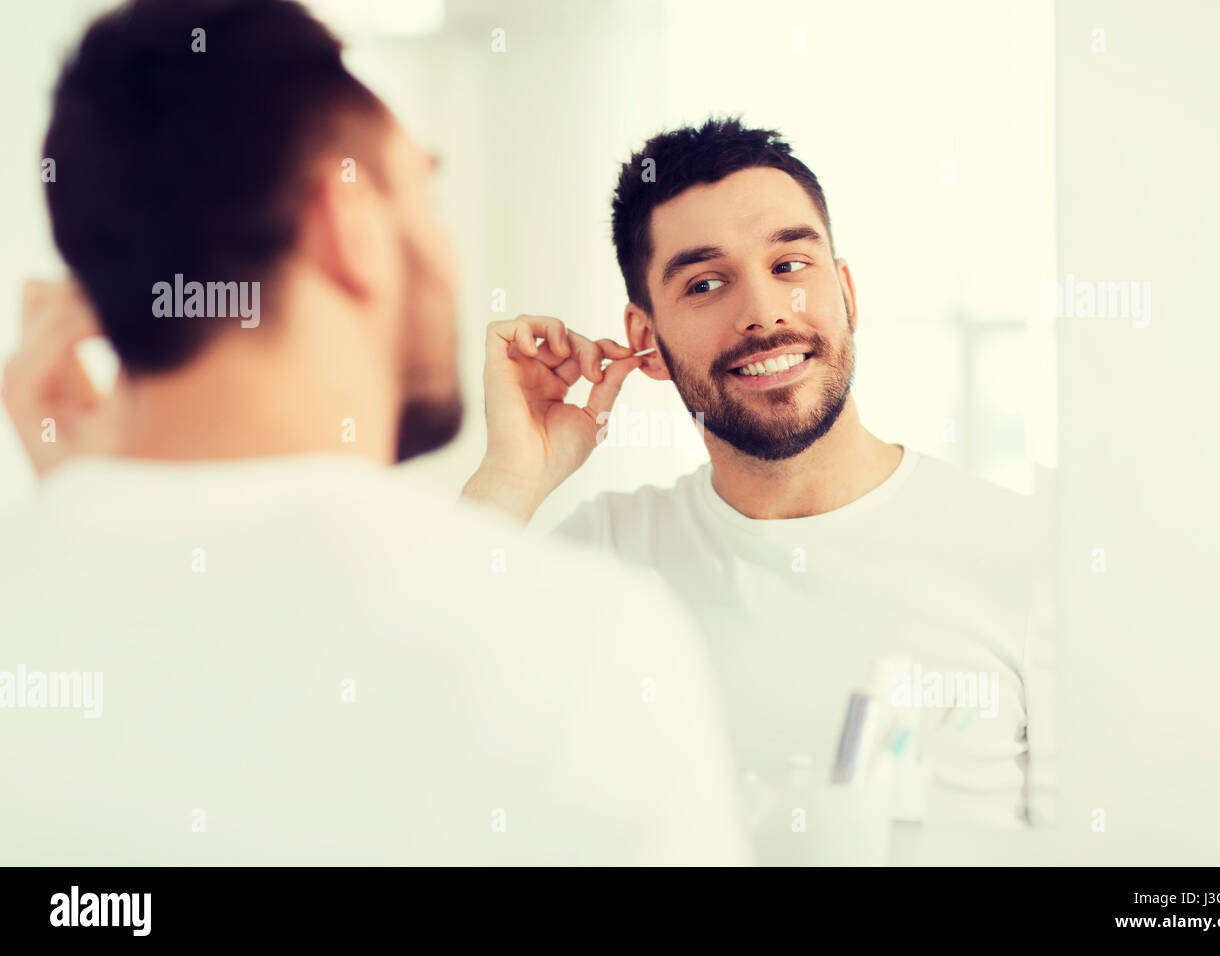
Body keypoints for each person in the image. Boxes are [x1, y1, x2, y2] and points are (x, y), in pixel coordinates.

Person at [0, 0, 750, 865]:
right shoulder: (585, 646)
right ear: (347, 224)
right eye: (422, 191)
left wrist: (90, 523)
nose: (444, 247)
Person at [463, 118, 1057, 832]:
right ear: (645, 338)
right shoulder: (605, 562)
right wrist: (511, 476)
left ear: (847, 295)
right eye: (707, 283)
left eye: (789, 266)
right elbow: (407, 725)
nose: (764, 312)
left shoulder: (1031, 556)